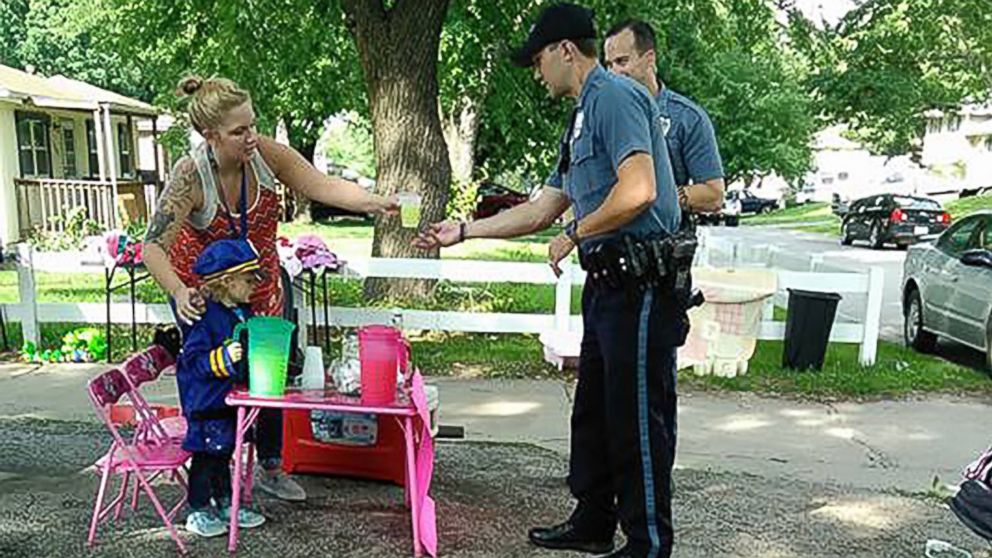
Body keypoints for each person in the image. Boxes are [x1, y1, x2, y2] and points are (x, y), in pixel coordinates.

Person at [413, 4, 691, 557]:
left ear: (566, 50)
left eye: (539, 59)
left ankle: (648, 541)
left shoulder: (614, 97)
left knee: (636, 416)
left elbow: (640, 191)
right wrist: (465, 230)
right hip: (609, 285)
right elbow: (542, 207)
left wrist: (577, 233)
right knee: (594, 410)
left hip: (641, 284)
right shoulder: (583, 115)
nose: (537, 73)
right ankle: (593, 519)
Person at [143, 75, 399, 502]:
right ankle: (212, 475)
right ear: (210, 135)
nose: (251, 137)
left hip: (260, 287)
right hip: (202, 298)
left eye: (253, 125)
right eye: (239, 130)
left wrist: (374, 201)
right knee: (213, 378)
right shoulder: (190, 175)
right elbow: (153, 247)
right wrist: (178, 291)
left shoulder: (265, 155)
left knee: (270, 374)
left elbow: (321, 184)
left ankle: (271, 466)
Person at [176, 238, 266, 538]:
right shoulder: (203, 317)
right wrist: (222, 358)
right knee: (205, 455)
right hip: (206, 402)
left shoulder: (241, 311)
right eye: (249, 278)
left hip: (228, 398)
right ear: (227, 282)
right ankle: (198, 507)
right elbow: (193, 361)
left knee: (224, 451)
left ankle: (226, 501)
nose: (255, 283)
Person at [603, 19, 725, 215]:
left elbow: (714, 195)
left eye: (621, 61)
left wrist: (652, 196)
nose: (613, 73)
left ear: (649, 58)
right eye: (608, 65)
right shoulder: (599, 116)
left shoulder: (688, 118)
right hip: (605, 239)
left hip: (662, 239)